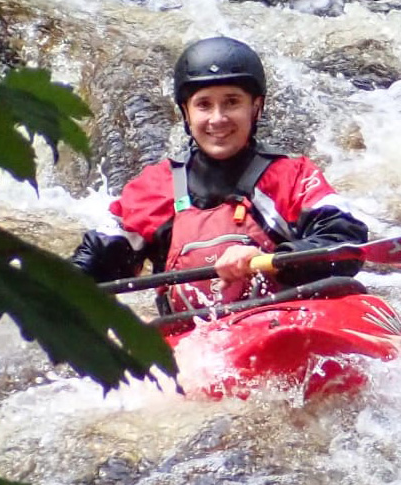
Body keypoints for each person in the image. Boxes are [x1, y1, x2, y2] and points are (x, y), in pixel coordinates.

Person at [72, 36, 369, 315]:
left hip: (286, 326)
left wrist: (272, 260)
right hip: (194, 340)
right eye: (204, 105)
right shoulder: (155, 188)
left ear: (256, 107)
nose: (218, 119)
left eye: (231, 102)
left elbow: (344, 242)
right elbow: (97, 261)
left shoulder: (293, 177)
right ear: (186, 113)